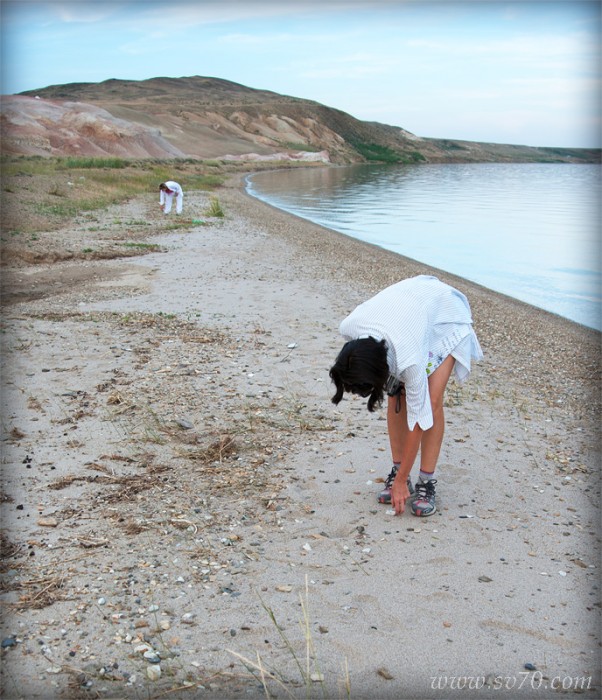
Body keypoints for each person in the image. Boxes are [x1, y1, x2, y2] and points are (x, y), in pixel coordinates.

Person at [329, 275, 483, 517]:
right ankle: (399, 469)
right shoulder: (349, 327)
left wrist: (401, 482)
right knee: (395, 394)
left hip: (443, 315)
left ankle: (425, 482)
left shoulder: (408, 359)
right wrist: (400, 475)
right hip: (410, 315)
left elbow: (420, 419)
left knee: (430, 403)